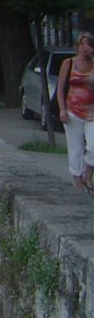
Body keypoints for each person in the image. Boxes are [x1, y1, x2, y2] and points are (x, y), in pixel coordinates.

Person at [57, 31, 94, 196]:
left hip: (91, 112)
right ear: (77, 46)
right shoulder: (69, 63)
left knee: (93, 146)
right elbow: (60, 89)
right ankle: (78, 184)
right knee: (75, 148)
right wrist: (62, 109)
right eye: (82, 44)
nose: (85, 47)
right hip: (72, 111)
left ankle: (88, 176)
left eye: (89, 44)